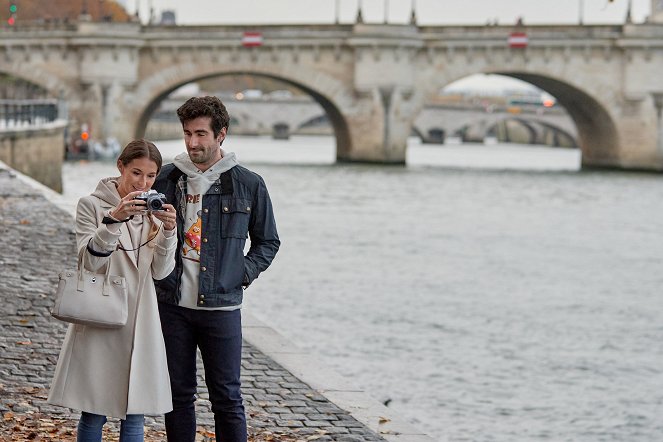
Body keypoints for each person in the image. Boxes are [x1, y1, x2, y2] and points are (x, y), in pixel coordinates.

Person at [152, 96, 280, 442]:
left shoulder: (249, 184)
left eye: (201, 134)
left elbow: (268, 242)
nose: (193, 143)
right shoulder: (165, 179)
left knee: (227, 397)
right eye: (187, 134)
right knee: (177, 396)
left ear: (221, 135)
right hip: (172, 304)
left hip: (222, 307)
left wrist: (240, 273)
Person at [48, 139, 178, 441]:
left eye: (150, 176)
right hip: (101, 315)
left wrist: (169, 231)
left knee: (135, 412)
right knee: (94, 410)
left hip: (141, 319)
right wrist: (113, 220)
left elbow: (161, 271)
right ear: (120, 166)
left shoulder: (153, 211)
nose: (142, 183)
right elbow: (88, 264)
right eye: (136, 173)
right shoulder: (91, 205)